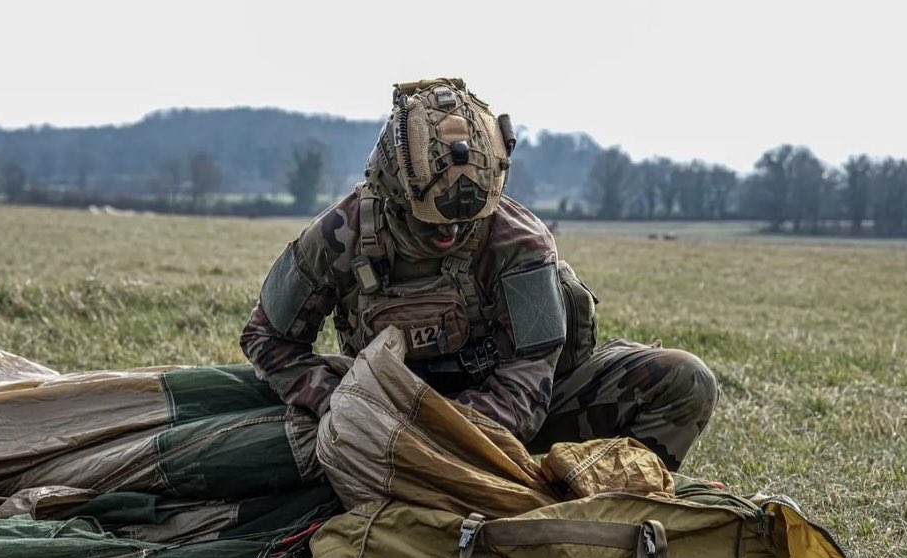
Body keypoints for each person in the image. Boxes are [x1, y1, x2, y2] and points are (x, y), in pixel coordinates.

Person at [241, 78, 718, 471]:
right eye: (433, 221)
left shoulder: (519, 241)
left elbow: (527, 383)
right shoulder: (338, 234)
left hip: (506, 423)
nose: (450, 232)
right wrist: (338, 405)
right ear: (393, 193)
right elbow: (266, 338)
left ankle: (604, 500)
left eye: (466, 221)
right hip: (378, 412)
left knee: (685, 380)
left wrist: (440, 439)